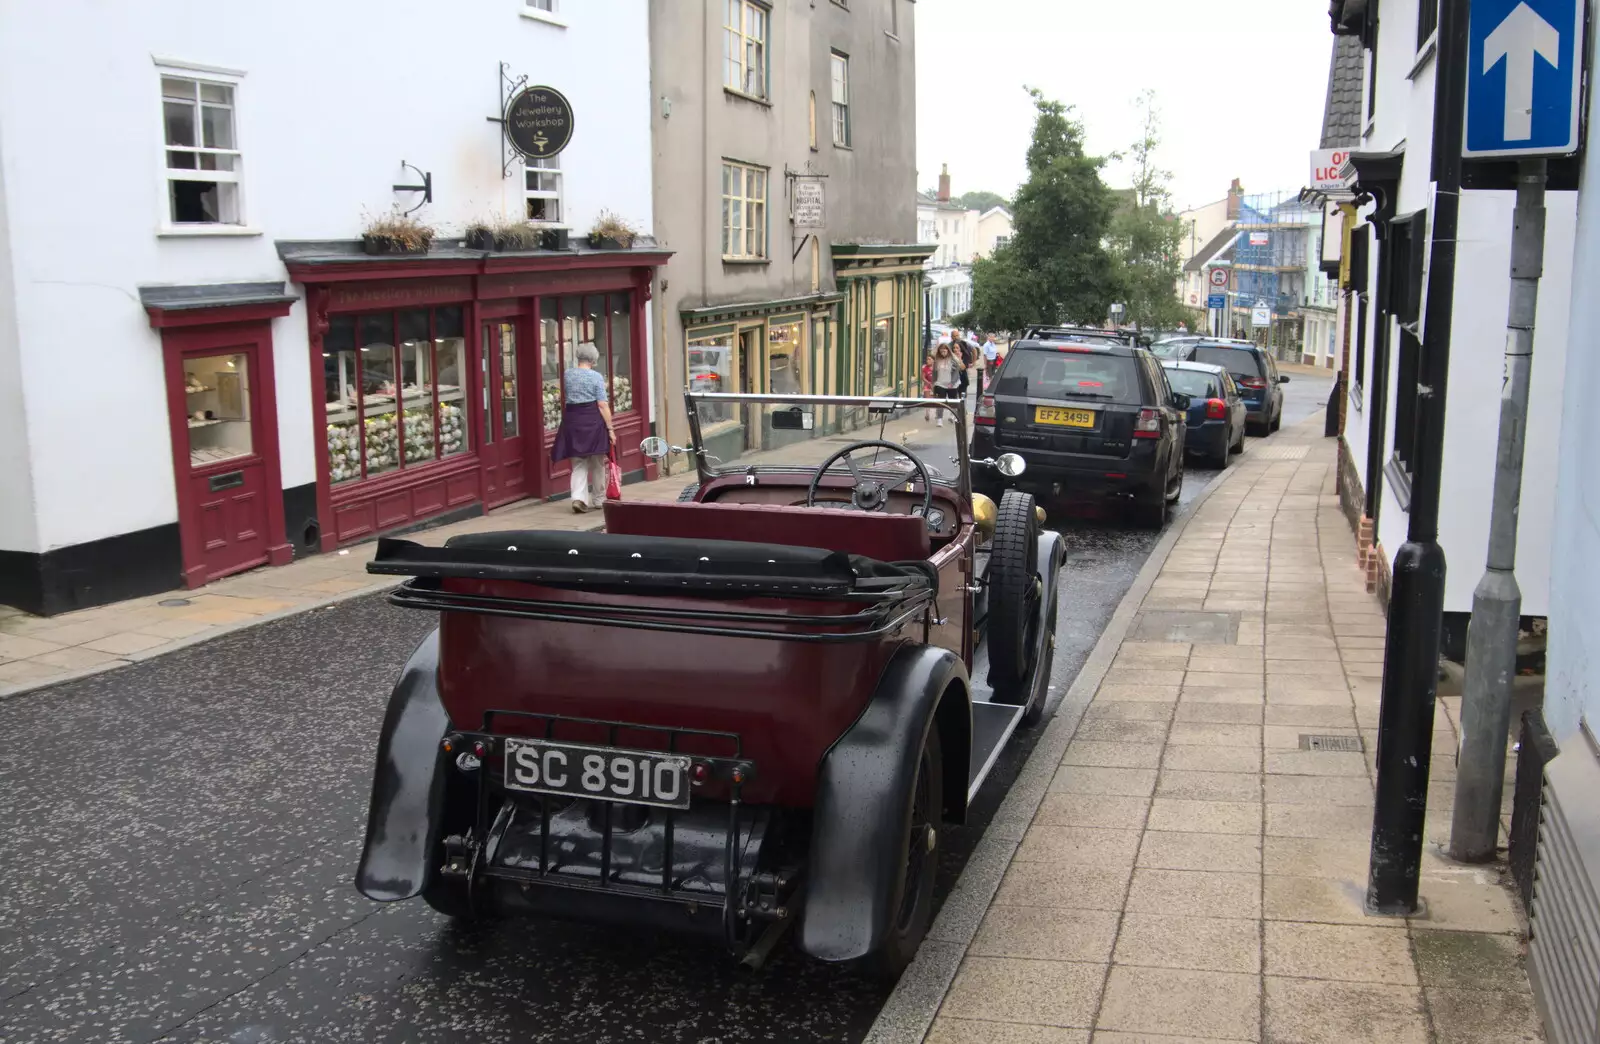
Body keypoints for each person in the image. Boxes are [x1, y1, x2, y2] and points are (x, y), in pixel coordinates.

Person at [550, 342, 616, 512]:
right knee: (598, 462)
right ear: (593, 359)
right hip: (592, 422)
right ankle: (599, 499)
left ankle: (578, 498)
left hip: (572, 420)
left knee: (578, 462)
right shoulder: (596, 377)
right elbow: (602, 404)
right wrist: (610, 428)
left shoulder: (568, 375)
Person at [929, 342, 961, 426]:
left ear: (948, 351)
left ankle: (952, 415)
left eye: (945, 351)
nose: (943, 353)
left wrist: (952, 383)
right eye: (941, 351)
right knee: (940, 402)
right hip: (940, 383)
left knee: (952, 401)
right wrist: (933, 383)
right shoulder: (937, 361)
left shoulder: (953, 360)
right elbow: (935, 373)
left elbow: (956, 373)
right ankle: (939, 419)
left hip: (952, 384)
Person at [921, 350, 937, 421]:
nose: (928, 361)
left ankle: (936, 413)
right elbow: (923, 377)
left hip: (935, 385)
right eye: (927, 359)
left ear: (933, 360)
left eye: (929, 359)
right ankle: (927, 414)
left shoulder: (936, 368)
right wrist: (928, 382)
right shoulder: (925, 368)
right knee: (927, 400)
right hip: (927, 385)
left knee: (936, 400)